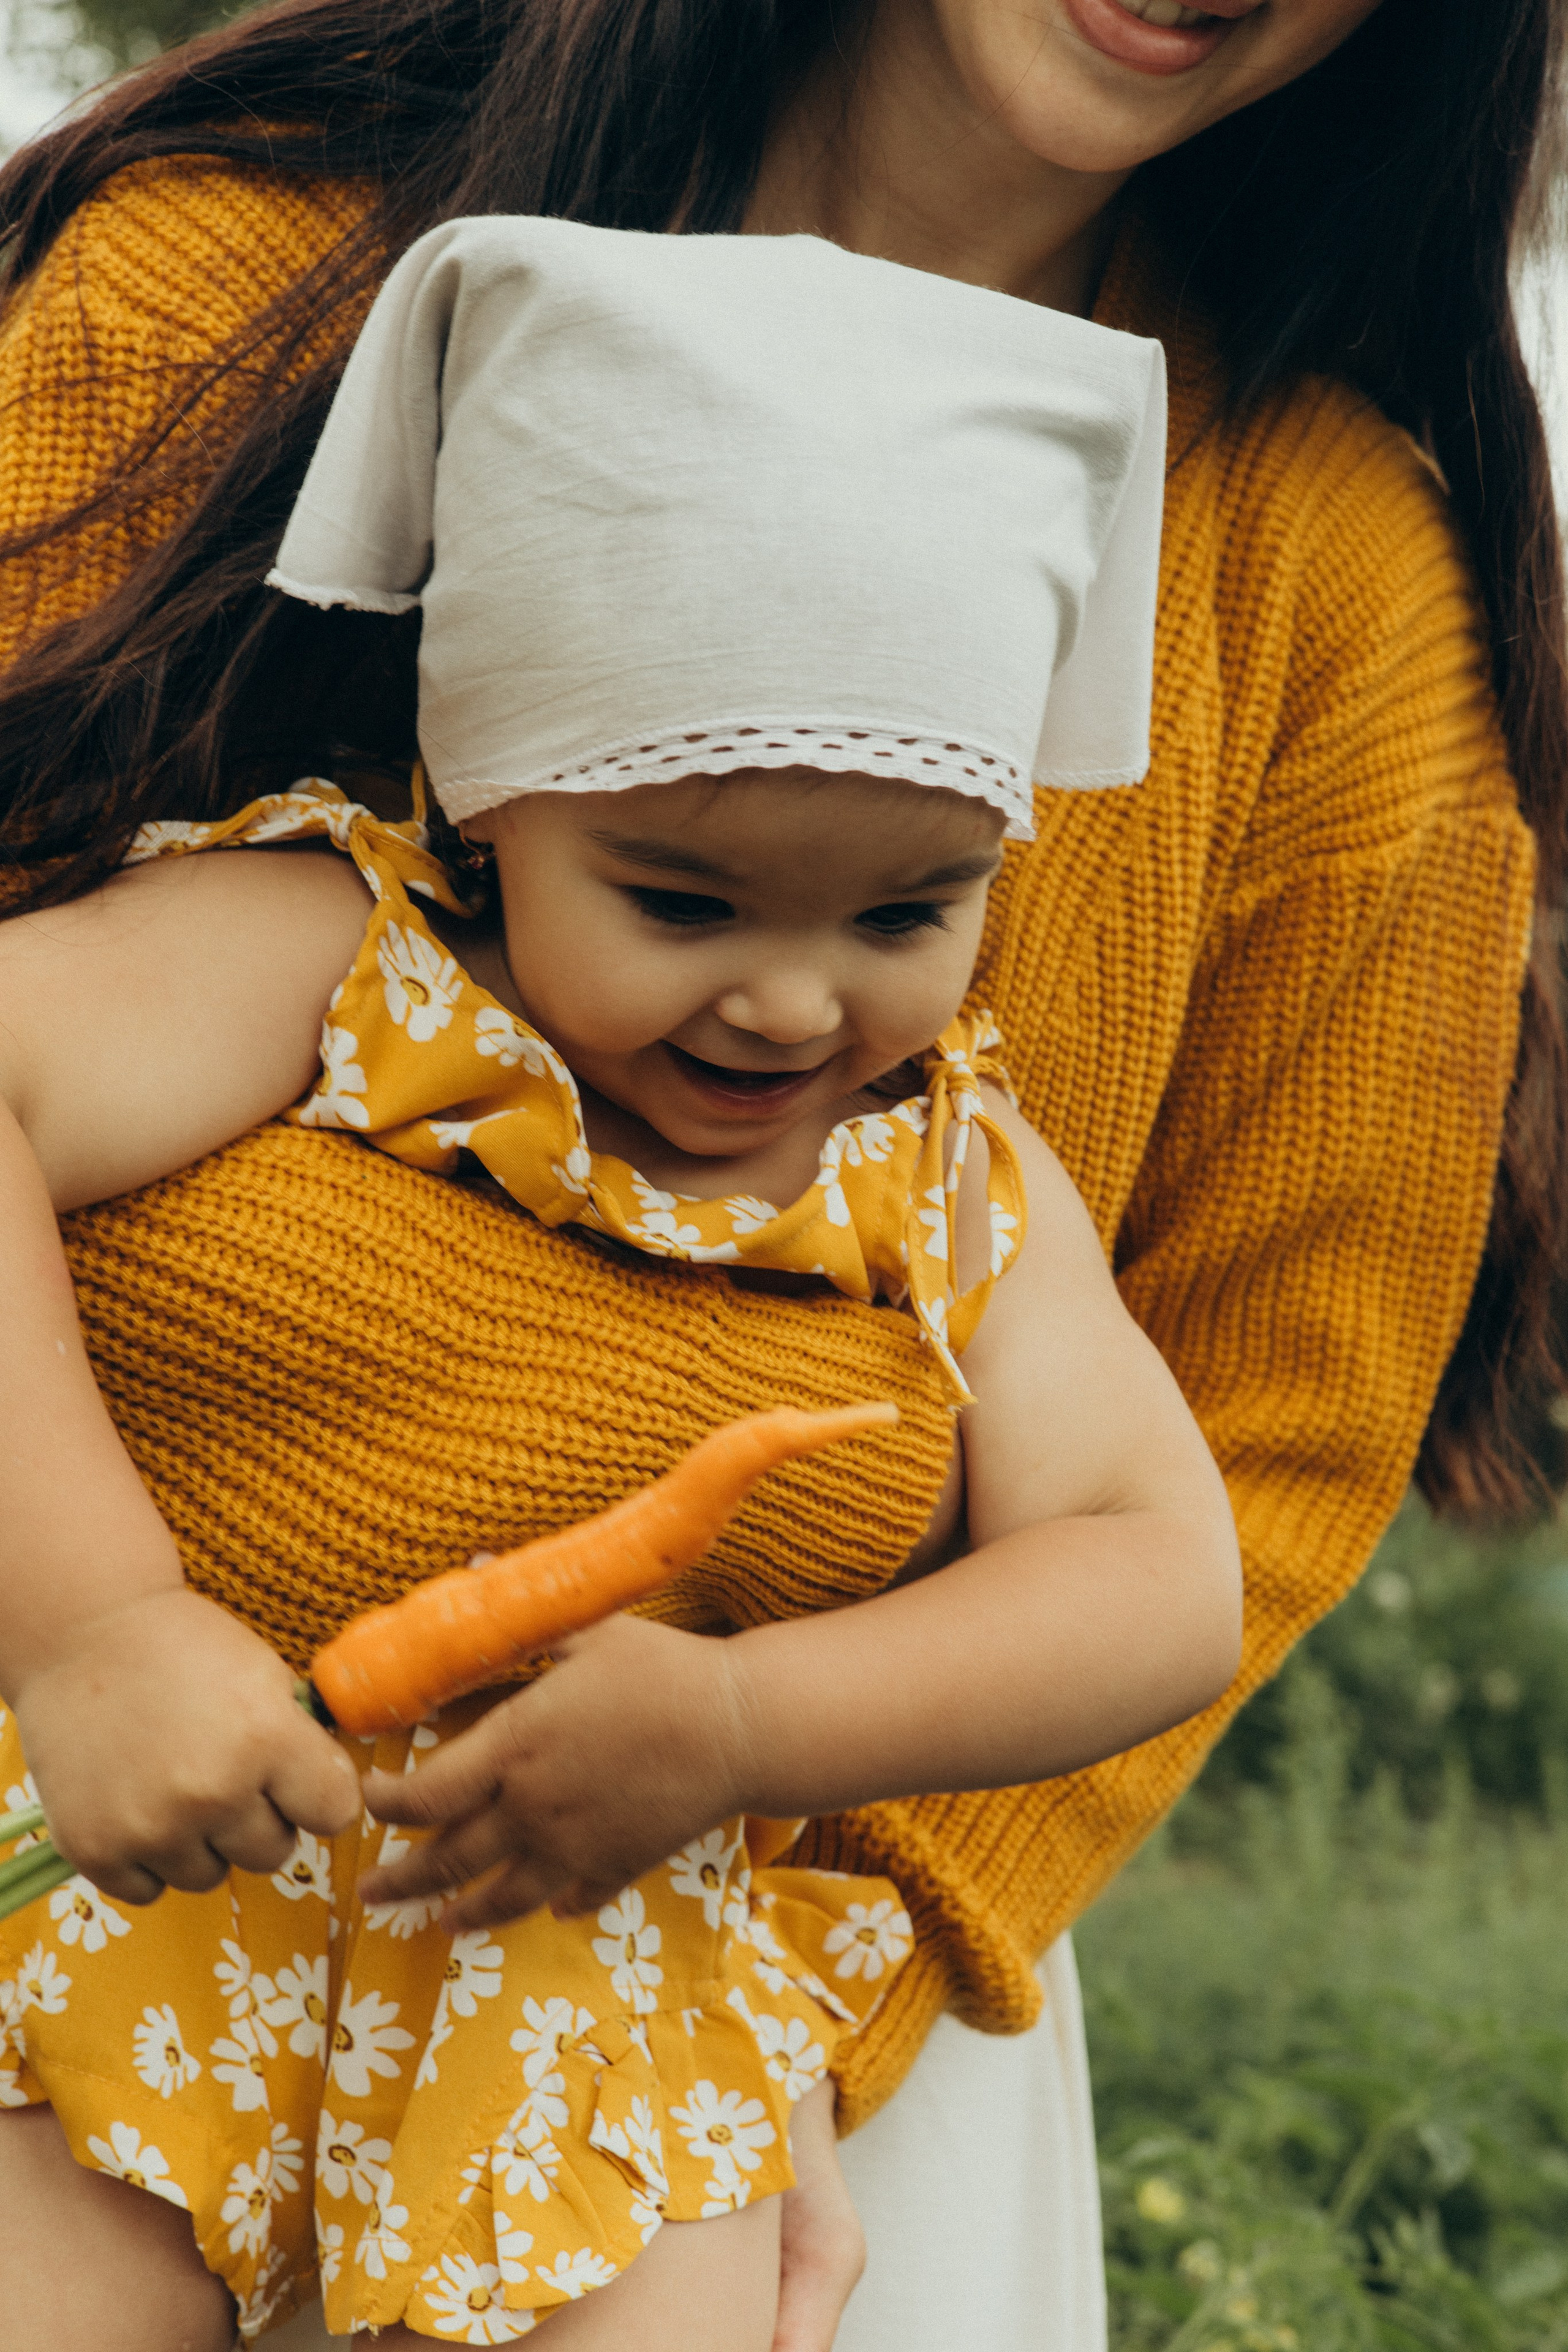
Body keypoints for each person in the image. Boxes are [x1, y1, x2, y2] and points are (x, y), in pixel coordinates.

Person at [0, 3, 1561, 2348]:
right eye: (686, 899)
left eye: (918, 915)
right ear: (482, 785)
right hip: (101, 1831)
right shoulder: (229, 319)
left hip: (696, 1960)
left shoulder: (1296, 637)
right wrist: (85, 1636)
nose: (794, 1010)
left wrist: (788, 1947)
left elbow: (1230, 1488)